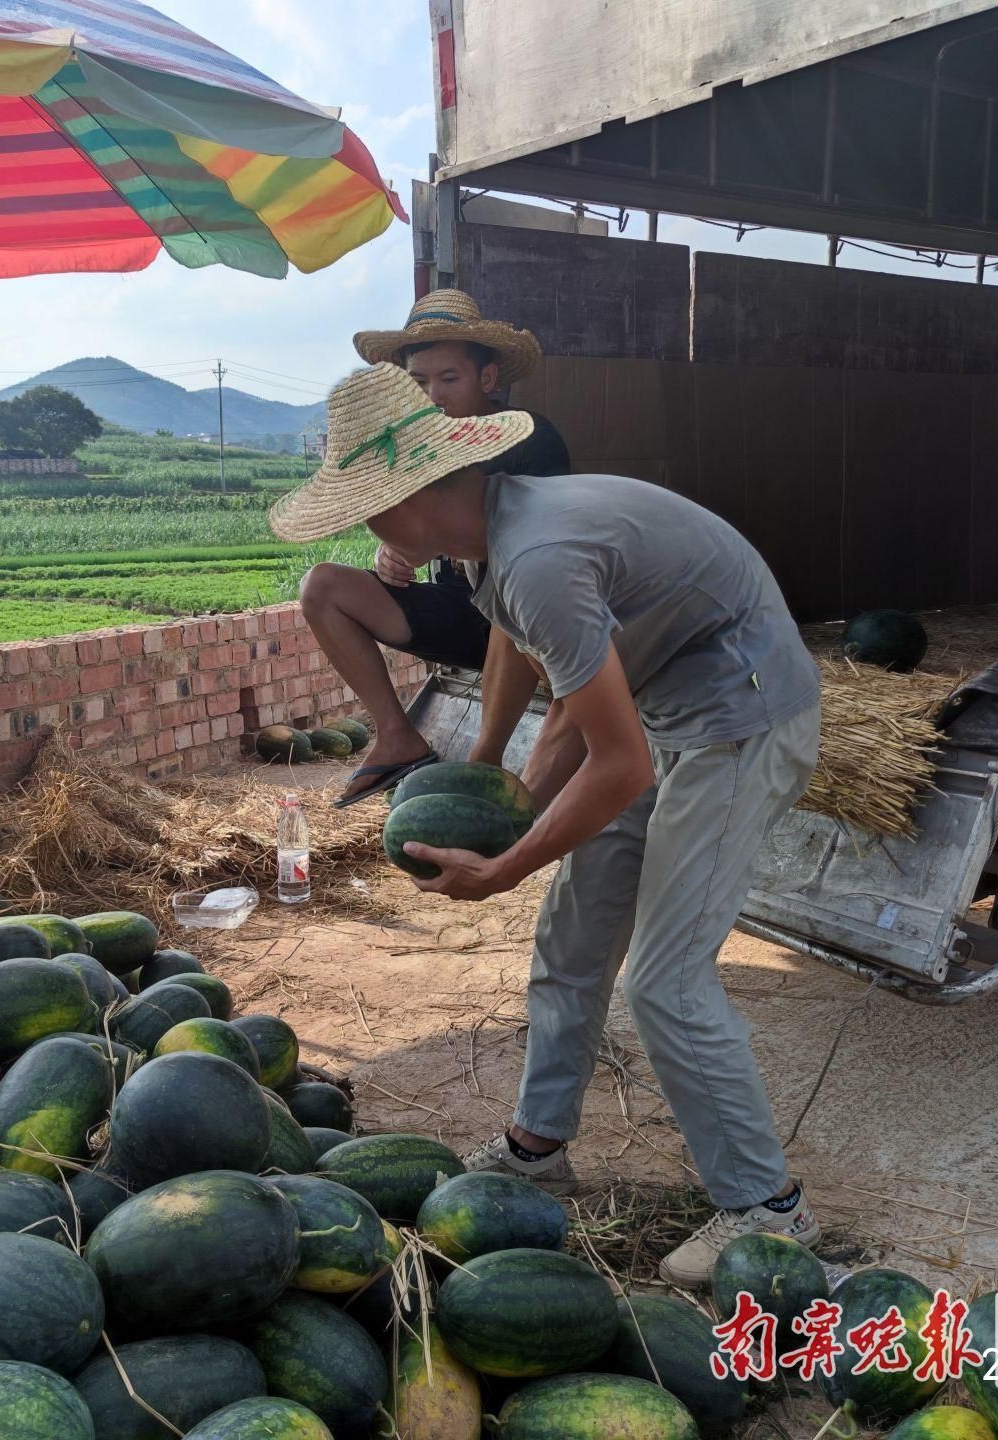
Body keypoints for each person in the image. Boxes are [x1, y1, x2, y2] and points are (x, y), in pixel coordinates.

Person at [270, 365, 825, 1287]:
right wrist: (503, 786)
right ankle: (539, 1143)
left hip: (742, 714)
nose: (364, 530)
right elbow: (547, 677)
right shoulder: (495, 539)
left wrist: (509, 862)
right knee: (573, 936)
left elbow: (620, 764)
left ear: (405, 501)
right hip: (665, 704)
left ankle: (769, 1210)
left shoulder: (537, 557)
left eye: (363, 509)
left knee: (664, 979)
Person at [299, 290, 570, 807]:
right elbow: (418, 535)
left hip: (520, 621)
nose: (433, 396)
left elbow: (534, 565)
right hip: (455, 612)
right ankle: (397, 736)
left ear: (487, 380)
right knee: (322, 587)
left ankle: (487, 773)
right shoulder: (412, 448)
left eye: (449, 379)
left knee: (511, 601)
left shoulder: (527, 439)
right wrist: (395, 553)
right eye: (419, 382)